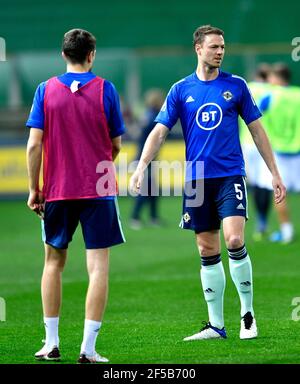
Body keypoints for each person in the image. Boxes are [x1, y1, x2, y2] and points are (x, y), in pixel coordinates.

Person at [130, 25, 286, 340]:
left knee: (233, 240)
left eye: (223, 47)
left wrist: (274, 172)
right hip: (197, 181)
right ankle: (216, 325)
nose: (220, 51)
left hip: (230, 176)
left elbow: (257, 130)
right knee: (206, 247)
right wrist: (141, 166)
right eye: (214, 46)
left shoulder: (237, 86)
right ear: (198, 49)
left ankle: (247, 316)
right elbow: (159, 131)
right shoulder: (180, 89)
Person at [26, 29, 126, 363]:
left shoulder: (45, 90)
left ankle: (51, 344)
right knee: (98, 267)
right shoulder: (106, 89)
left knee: (53, 263)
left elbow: (34, 144)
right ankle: (88, 349)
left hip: (56, 189)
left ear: (63, 54)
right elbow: (116, 145)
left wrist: (34, 188)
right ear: (91, 54)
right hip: (98, 189)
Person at [259, 63, 300, 243]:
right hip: (298, 149)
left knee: (280, 192)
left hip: (279, 151)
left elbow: (255, 118)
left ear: (276, 78)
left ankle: (287, 232)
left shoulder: (269, 96)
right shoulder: (298, 94)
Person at [239, 63, 273, 240]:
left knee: (254, 184)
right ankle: (263, 221)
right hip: (265, 143)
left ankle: (259, 221)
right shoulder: (272, 91)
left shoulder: (246, 87)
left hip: (247, 143)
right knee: (266, 183)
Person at [130, 89, 165, 229]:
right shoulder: (154, 117)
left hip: (146, 158)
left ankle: (153, 217)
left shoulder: (147, 115)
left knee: (153, 189)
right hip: (145, 159)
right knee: (145, 189)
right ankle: (135, 217)